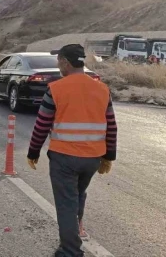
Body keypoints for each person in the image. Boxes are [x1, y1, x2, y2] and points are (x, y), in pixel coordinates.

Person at [26, 44, 117, 257]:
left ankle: (70, 250)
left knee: (66, 202)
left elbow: (42, 124)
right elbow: (111, 124)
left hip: (64, 158)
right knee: (77, 195)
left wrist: (33, 152)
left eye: (59, 61)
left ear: (66, 62)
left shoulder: (57, 88)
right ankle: (74, 235)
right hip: (93, 158)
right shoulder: (102, 89)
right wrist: (109, 156)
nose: (58, 65)